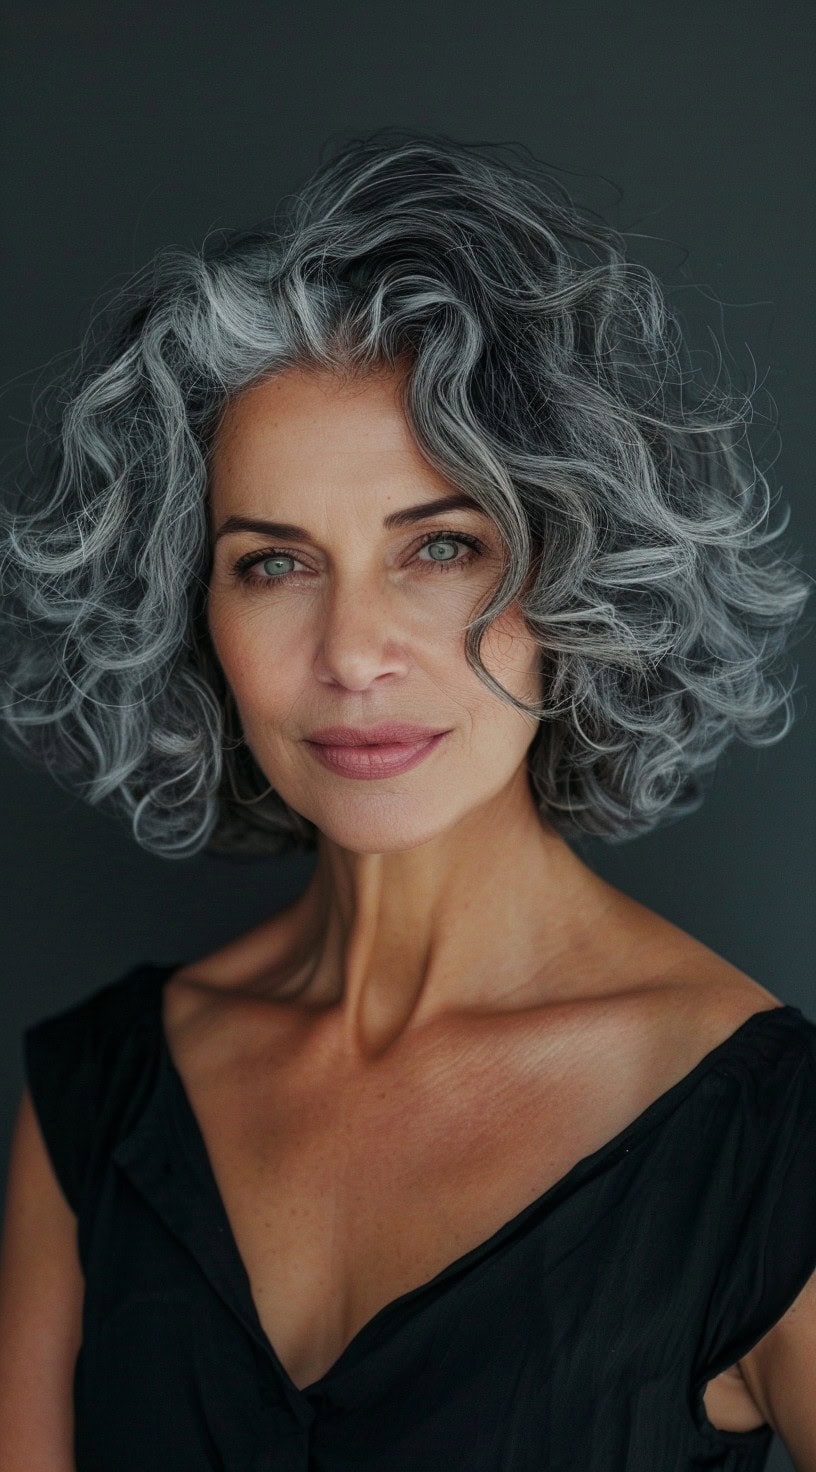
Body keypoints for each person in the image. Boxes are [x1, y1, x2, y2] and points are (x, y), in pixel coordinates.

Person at [0, 128, 814, 1472]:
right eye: (273, 565)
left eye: (440, 547)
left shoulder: (765, 1140)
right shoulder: (98, 1100)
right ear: (192, 615)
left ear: (574, 579)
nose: (352, 653)